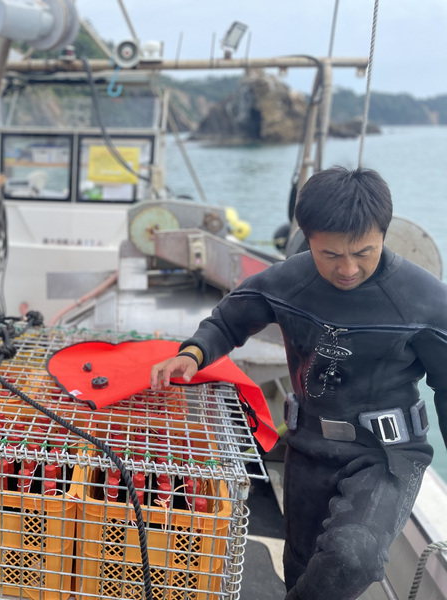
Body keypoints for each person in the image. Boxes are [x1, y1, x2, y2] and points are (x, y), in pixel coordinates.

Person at [150, 166, 447, 600]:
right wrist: (193, 352)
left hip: (385, 455)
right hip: (308, 444)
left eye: (363, 252)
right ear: (308, 240)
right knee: (301, 566)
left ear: (384, 233)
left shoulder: (425, 300)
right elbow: (232, 318)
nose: (348, 268)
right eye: (330, 255)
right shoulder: (291, 279)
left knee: (352, 556)